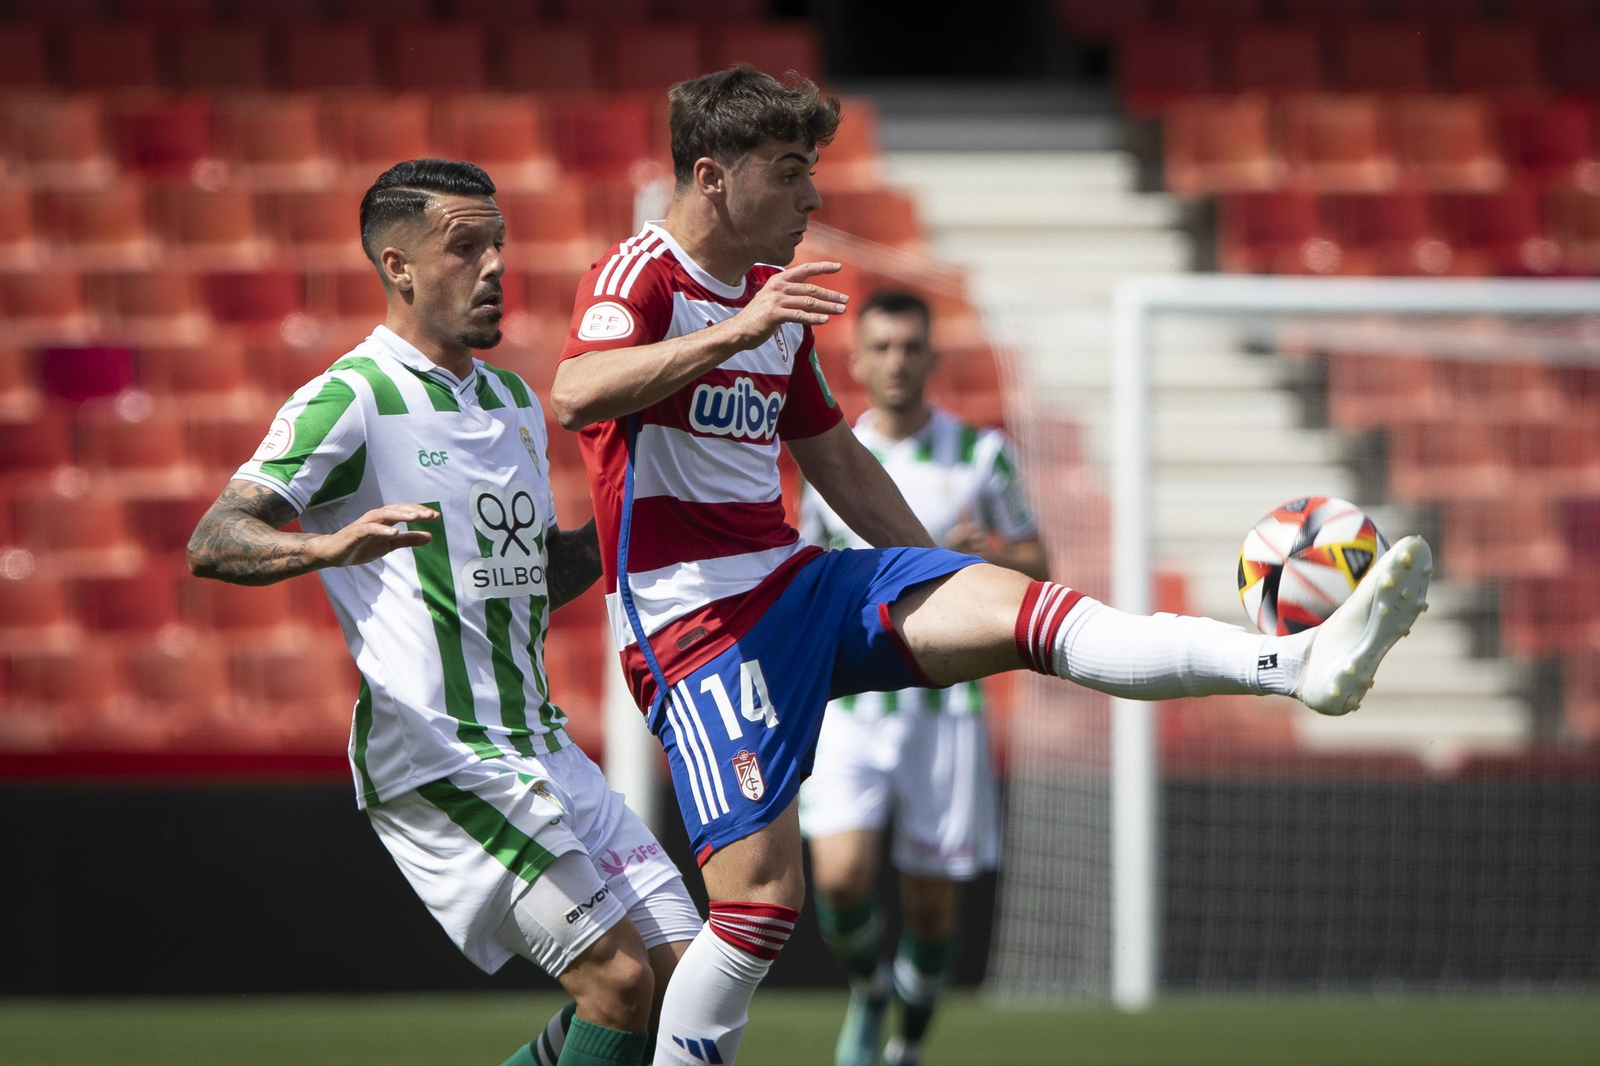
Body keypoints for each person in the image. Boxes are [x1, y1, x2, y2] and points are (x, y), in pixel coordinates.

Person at [550, 68, 1432, 1066]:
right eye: (790, 174)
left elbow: (834, 455)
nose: (811, 198)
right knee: (760, 912)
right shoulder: (642, 277)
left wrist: (921, 564)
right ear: (711, 177)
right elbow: (577, 391)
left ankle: (1296, 666)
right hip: (693, 628)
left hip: (797, 582)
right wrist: (735, 333)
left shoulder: (769, 300)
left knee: (1030, 615)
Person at [187, 159, 701, 1066]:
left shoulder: (510, 401)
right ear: (400, 266)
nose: (495, 264)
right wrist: (323, 547)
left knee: (685, 979)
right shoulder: (351, 397)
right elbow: (214, 537)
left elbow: (534, 571)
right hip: (438, 750)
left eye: (499, 242)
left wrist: (652, 505)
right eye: (466, 246)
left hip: (538, 740)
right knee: (618, 983)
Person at [796, 289, 1048, 1066]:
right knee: (838, 881)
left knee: (934, 909)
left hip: (947, 712)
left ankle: (905, 1047)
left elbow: (1040, 563)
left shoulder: (981, 456)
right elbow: (804, 570)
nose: (898, 360)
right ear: (859, 362)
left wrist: (994, 555)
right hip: (849, 710)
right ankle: (871, 989)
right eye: (883, 347)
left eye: (912, 347)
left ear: (932, 358)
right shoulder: (832, 461)